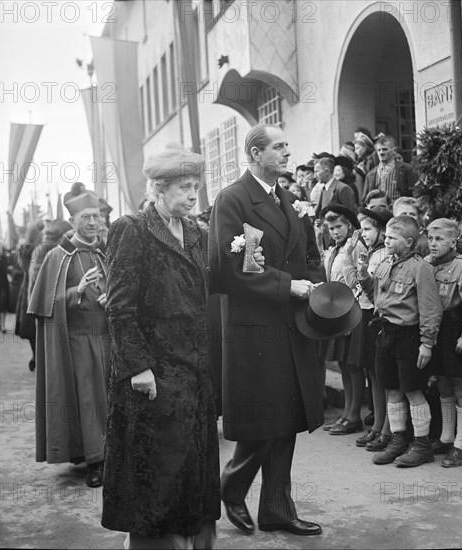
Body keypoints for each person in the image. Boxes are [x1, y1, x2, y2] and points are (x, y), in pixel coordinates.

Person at [102, 145, 231, 548]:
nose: (194, 195)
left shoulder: (195, 231)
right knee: (160, 472)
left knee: (194, 465)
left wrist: (251, 264)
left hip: (193, 371)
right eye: (185, 187)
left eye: (196, 186)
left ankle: (197, 541)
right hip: (154, 374)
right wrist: (137, 367)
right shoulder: (132, 229)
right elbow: (120, 308)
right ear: (159, 188)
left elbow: (211, 287)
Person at [208, 124, 325, 537]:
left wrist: (314, 288)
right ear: (255, 154)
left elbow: (311, 254)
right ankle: (232, 484)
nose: (287, 153)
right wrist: (286, 285)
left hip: (291, 323)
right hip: (254, 329)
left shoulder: (291, 201)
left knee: (288, 413)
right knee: (266, 415)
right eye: (279, 147)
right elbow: (227, 266)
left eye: (287, 146)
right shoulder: (233, 199)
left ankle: (276, 507)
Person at [27, 184, 110, 488]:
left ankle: (112, 453)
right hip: (77, 341)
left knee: (110, 399)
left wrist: (110, 296)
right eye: (86, 217)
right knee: (88, 401)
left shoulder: (103, 251)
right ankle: (96, 461)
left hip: (108, 337)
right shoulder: (57, 256)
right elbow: (44, 305)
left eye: (96, 216)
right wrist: (79, 291)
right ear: (73, 220)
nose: (92, 222)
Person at [365, 215, 442, 467]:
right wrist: (363, 279)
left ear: (409, 242)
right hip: (386, 333)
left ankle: (421, 445)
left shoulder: (421, 268)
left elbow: (431, 310)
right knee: (392, 389)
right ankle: (398, 440)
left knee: (412, 389)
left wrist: (427, 343)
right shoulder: (387, 264)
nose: (386, 241)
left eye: (391, 238)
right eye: (385, 236)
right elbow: (378, 296)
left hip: (408, 338)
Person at [424, 218, 462, 467]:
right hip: (435, 331)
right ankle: (446, 437)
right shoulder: (426, 264)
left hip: (453, 329)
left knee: (459, 387)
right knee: (442, 384)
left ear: (453, 241)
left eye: (439, 239)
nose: (433, 244)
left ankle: (460, 444)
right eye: (430, 239)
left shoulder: (461, 266)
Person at [342, 206, 393, 450]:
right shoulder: (368, 252)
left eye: (368, 229)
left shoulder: (384, 255)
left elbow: (375, 288)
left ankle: (386, 427)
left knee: (380, 372)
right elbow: (353, 282)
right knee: (372, 372)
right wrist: (349, 254)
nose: (364, 233)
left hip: (377, 315)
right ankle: (377, 426)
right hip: (363, 312)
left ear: (382, 229)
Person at [319, 206, 367, 436]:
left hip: (353, 308)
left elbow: (358, 279)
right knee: (343, 364)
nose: (335, 231)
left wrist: (349, 305)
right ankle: (346, 413)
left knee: (353, 364)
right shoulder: (335, 248)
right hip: (337, 309)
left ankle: (354, 415)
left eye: (339, 226)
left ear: (349, 225)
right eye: (331, 227)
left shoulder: (355, 247)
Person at [15, 221, 44, 371]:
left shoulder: (24, 248)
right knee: (34, 324)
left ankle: (35, 355)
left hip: (26, 285)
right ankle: (37, 356)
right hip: (32, 286)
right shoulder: (37, 249)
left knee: (31, 325)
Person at [362, 135, 416, 202]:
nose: (381, 153)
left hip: (399, 210)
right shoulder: (370, 174)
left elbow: (415, 194)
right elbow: (365, 200)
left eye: (385, 149)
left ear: (394, 150)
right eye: (379, 150)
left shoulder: (407, 169)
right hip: (378, 210)